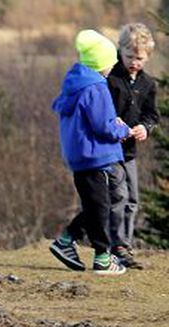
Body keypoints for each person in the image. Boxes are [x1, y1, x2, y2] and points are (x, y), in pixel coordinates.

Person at [49, 29, 136, 276]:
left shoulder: (76, 83)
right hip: (95, 155)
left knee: (97, 203)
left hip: (80, 156)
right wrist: (123, 129)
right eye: (110, 63)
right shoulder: (96, 86)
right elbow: (103, 126)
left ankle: (67, 241)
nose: (112, 68)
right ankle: (102, 257)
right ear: (101, 64)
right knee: (100, 205)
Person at [106, 23, 160, 269]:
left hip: (129, 152)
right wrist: (110, 121)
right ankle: (115, 245)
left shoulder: (148, 84)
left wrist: (145, 128)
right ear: (121, 51)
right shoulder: (111, 76)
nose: (133, 62)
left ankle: (125, 245)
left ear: (147, 57)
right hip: (109, 149)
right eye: (129, 56)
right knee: (119, 195)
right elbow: (100, 108)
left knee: (133, 199)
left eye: (139, 58)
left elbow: (152, 116)